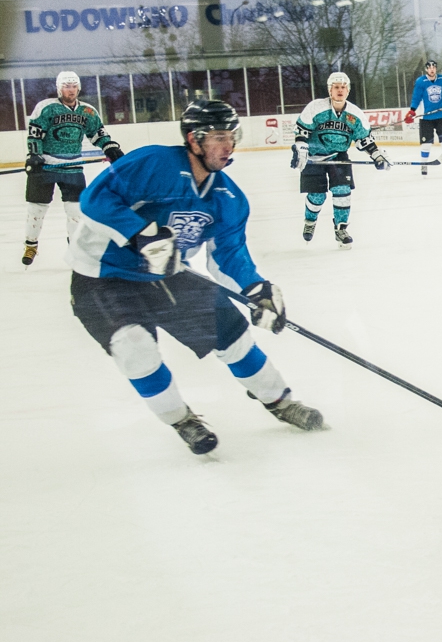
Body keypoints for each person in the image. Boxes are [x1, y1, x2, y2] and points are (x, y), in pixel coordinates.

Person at [66, 100, 324, 455]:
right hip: (102, 275)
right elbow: (95, 198)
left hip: (168, 273)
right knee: (134, 347)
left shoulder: (228, 197)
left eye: (232, 136)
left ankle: (280, 401)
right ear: (194, 139)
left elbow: (228, 253)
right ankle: (181, 419)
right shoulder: (153, 163)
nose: (228, 145)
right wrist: (139, 232)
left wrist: (255, 289)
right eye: (219, 137)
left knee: (232, 336)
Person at [21, 71, 124, 267]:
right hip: (46, 166)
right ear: (59, 89)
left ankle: (75, 248)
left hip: (73, 168)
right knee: (37, 208)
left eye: (74, 86)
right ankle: (31, 244)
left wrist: (109, 147)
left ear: (79, 88)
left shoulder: (88, 111)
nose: (71, 90)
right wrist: (34, 155)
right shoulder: (46, 108)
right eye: (67, 86)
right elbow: (34, 135)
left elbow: (98, 134)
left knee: (75, 211)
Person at [292, 72, 389, 249]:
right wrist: (301, 147)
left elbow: (364, 139)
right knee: (317, 196)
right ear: (330, 90)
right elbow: (302, 131)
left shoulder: (355, 114)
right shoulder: (316, 108)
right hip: (314, 158)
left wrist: (376, 155)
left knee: (343, 191)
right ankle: (310, 220)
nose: (339, 90)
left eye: (343, 87)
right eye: (336, 87)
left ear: (348, 90)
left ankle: (341, 229)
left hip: (338, 156)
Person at [405, 60, 442, 177]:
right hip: (426, 118)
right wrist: (412, 110)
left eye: (433, 67)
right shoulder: (421, 82)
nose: (432, 69)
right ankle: (424, 165)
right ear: (426, 69)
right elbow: (416, 97)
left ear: (436, 68)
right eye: (429, 67)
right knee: (426, 145)